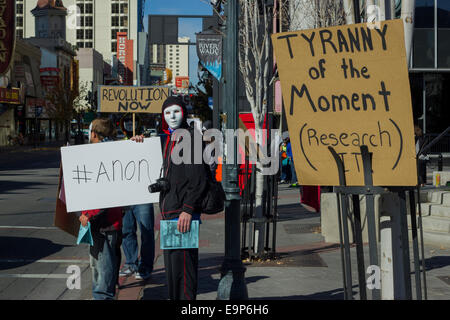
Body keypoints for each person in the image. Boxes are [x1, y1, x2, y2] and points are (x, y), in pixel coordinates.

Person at [132, 96, 208, 300]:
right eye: (167, 112)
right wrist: (138, 142)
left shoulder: (191, 137)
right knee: (173, 273)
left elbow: (199, 179)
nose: (172, 116)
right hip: (170, 215)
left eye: (176, 111)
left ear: (184, 112)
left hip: (182, 215)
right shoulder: (170, 138)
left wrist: (188, 209)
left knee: (184, 273)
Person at [79, 118, 123, 300]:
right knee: (108, 273)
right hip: (113, 223)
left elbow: (103, 194)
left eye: (90, 132)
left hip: (103, 225)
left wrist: (88, 215)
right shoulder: (115, 152)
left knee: (101, 280)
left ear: (94, 134)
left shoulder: (101, 155)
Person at [119, 129, 155, 281]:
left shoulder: (145, 141)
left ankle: (145, 266)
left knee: (146, 231)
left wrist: (141, 142)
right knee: (126, 230)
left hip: (142, 193)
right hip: (125, 194)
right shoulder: (116, 140)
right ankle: (131, 263)